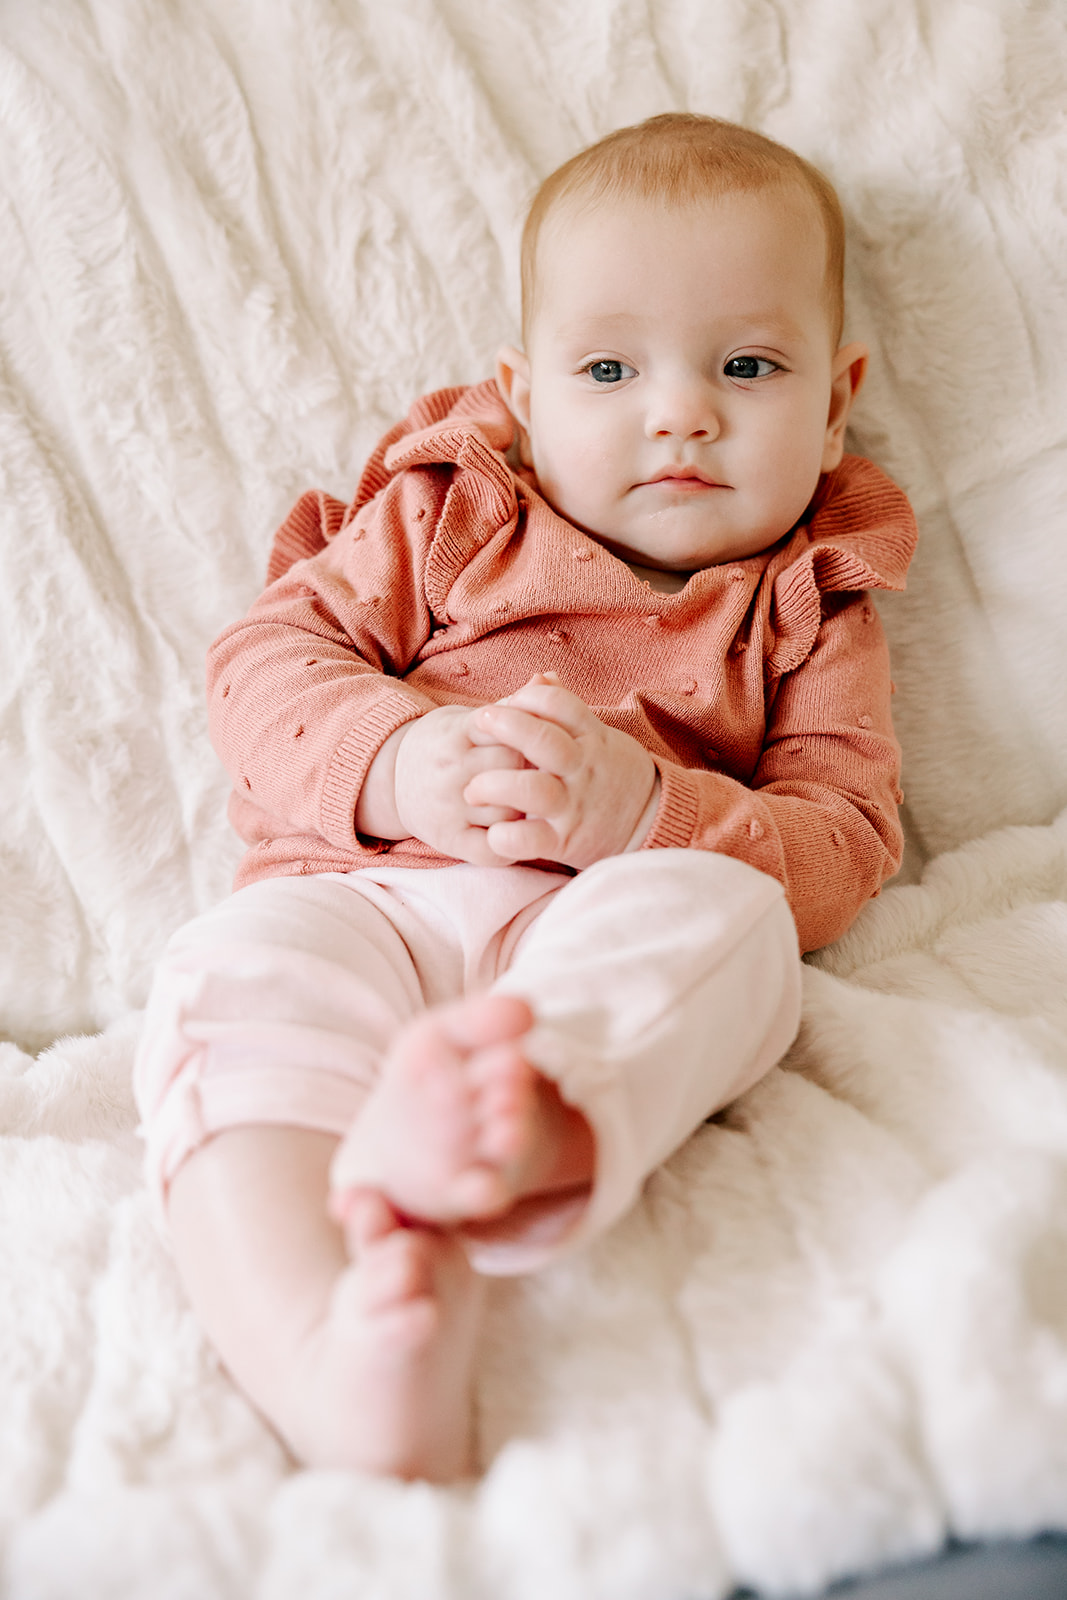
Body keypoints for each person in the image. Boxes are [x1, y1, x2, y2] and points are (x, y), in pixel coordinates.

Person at [134, 112, 917, 1483]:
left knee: (728, 931)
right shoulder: (449, 517)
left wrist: (652, 816)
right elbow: (262, 662)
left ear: (837, 398)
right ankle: (327, 1354)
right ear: (526, 389)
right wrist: (396, 759)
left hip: (606, 917)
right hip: (367, 896)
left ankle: (527, 1117)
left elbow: (845, 846)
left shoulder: (802, 605)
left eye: (749, 364)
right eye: (609, 367)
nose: (680, 410)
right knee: (225, 975)